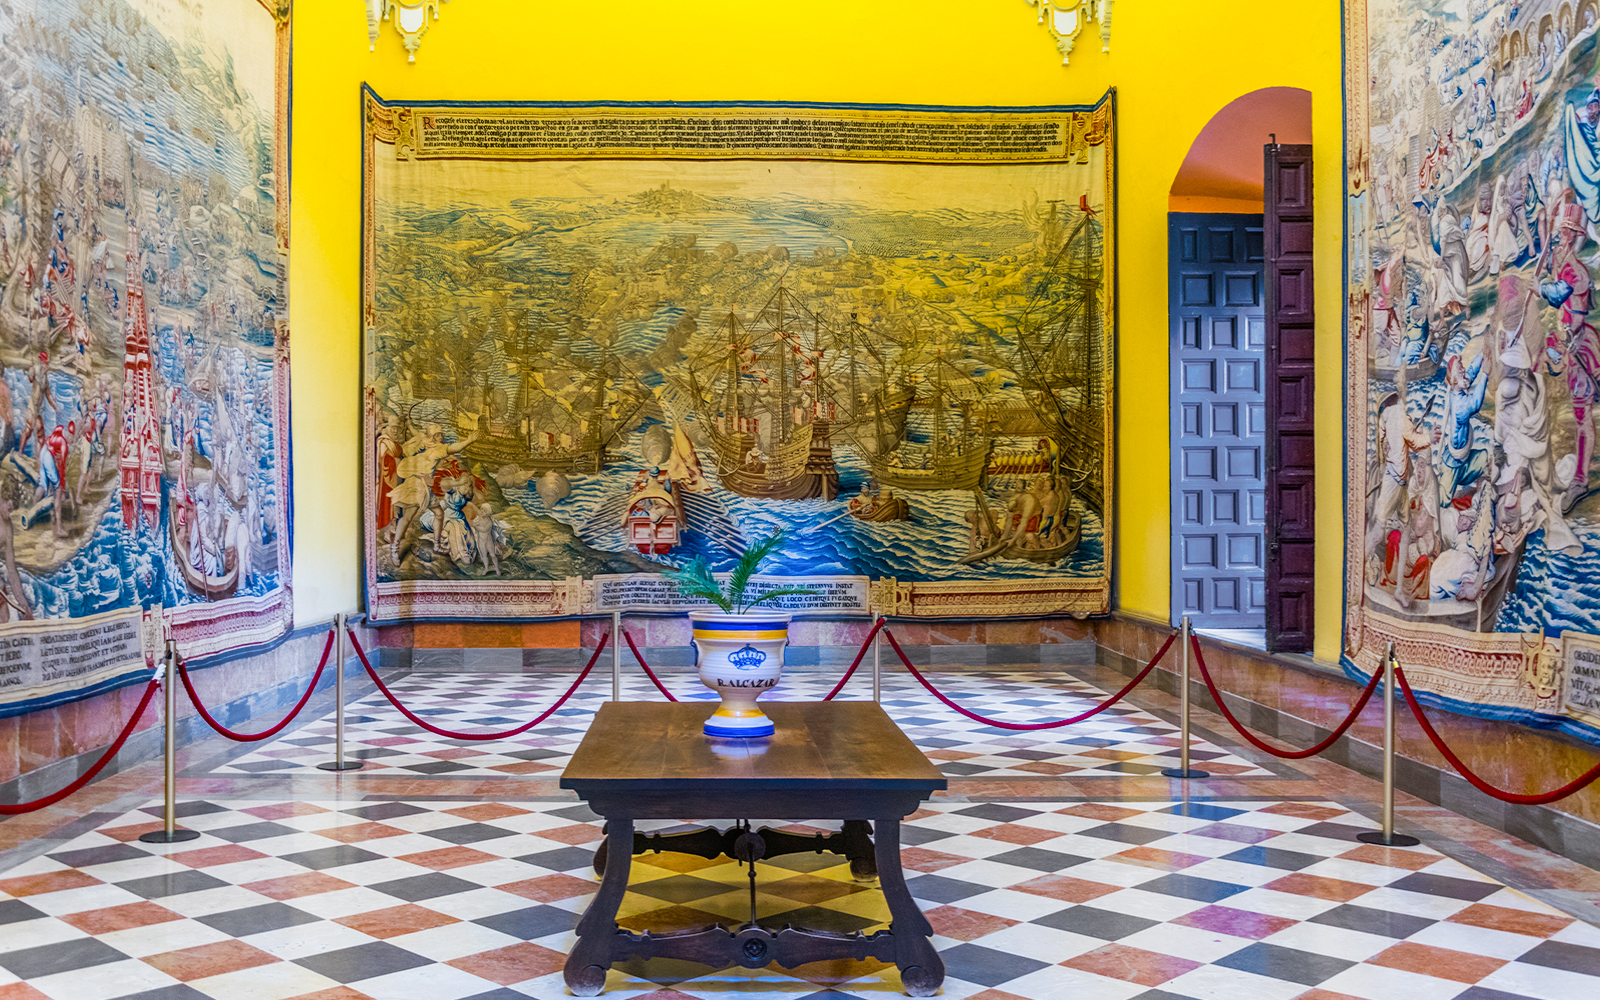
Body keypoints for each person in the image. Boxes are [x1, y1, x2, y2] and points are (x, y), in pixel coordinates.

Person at [389, 424, 479, 563]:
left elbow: (416, 432)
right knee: (407, 518)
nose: (441, 438)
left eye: (441, 435)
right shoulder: (438, 448)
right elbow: (453, 448)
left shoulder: (424, 441)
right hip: (418, 488)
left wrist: (409, 424)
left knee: (439, 513)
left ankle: (437, 545)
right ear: (434, 437)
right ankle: (394, 548)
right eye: (439, 435)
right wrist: (469, 441)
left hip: (424, 487)